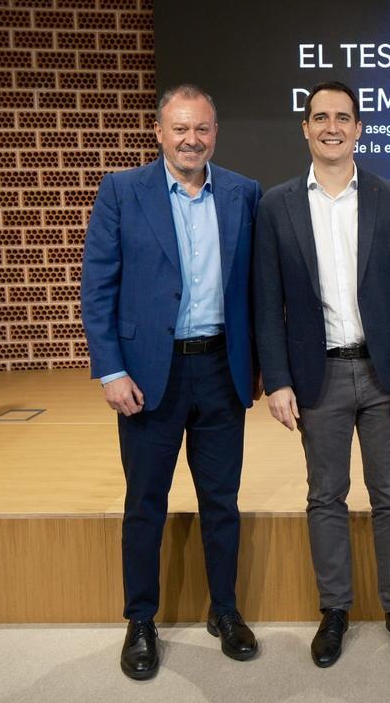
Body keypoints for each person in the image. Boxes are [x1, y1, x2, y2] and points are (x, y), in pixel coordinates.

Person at [80, 84, 262, 681]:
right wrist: (111, 369)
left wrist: (261, 366)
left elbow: (257, 289)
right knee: (144, 504)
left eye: (202, 129)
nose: (191, 140)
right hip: (146, 375)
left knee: (222, 502)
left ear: (215, 134)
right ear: (159, 133)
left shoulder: (243, 193)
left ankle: (224, 610)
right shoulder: (121, 190)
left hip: (220, 371)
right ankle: (141, 620)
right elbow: (97, 287)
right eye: (180, 128)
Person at [253, 81, 390, 668]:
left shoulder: (389, 198)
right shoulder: (276, 204)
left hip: (381, 376)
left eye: (343, 118)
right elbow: (266, 301)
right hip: (315, 376)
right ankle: (335, 611)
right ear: (305, 127)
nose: (332, 127)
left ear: (358, 129)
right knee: (325, 495)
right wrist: (277, 380)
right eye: (321, 117)